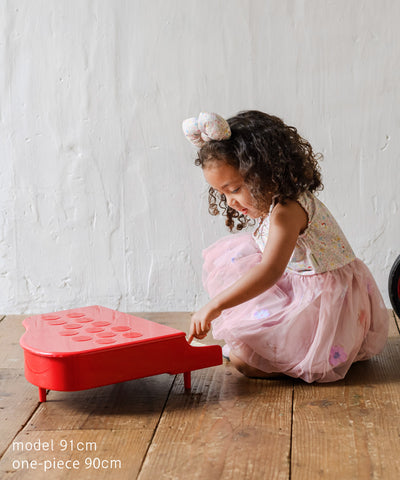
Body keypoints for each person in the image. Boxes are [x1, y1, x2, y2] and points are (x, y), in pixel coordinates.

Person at [182, 110, 388, 382]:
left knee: (247, 364)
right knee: (239, 269)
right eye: (222, 193)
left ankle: (298, 354)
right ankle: (263, 349)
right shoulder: (276, 203)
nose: (230, 202)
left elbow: (269, 271)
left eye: (233, 189)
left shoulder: (286, 211)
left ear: (263, 172)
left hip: (329, 301)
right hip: (298, 282)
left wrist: (215, 305)